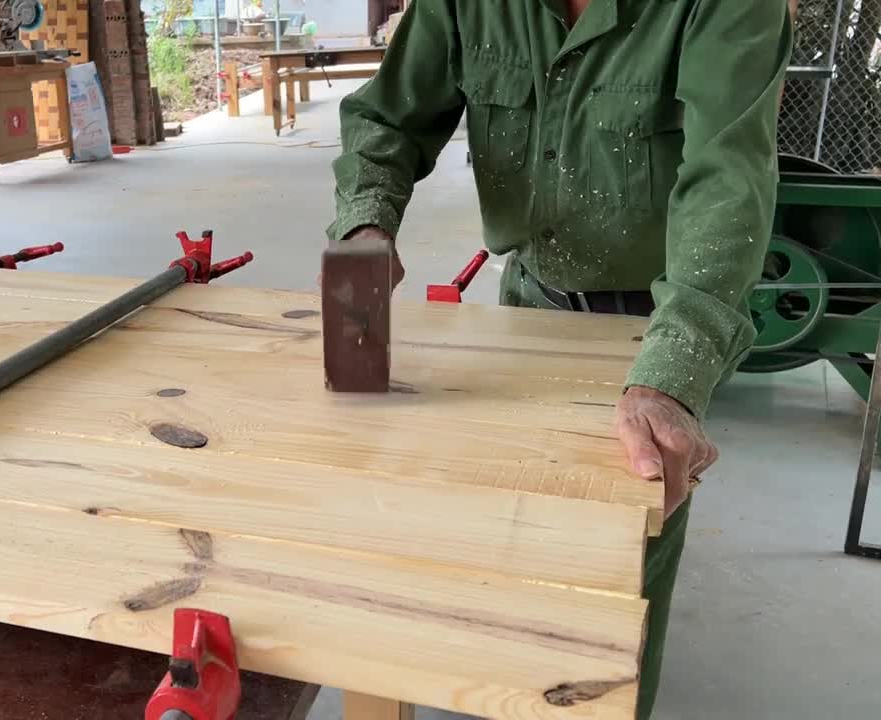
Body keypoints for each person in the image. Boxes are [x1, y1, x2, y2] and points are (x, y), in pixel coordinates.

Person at [327, 1, 793, 717]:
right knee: (520, 542)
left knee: (619, 574)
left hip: (652, 325)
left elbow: (727, 180)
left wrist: (671, 379)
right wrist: (365, 221)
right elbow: (389, 117)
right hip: (530, 301)